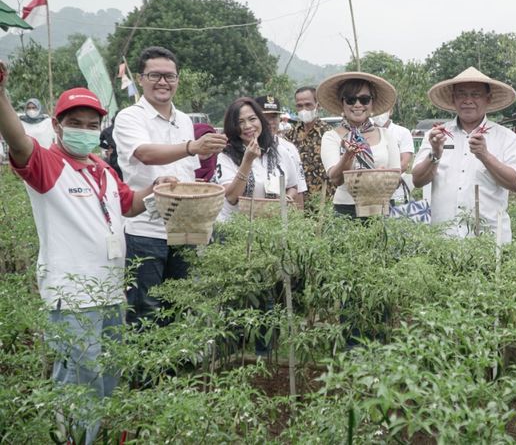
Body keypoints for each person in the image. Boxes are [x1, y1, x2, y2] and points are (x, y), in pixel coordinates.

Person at [0, 66, 175, 443]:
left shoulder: (102, 169)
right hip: (73, 295)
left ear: (101, 127)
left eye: (91, 123)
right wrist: (0, 95)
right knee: (78, 378)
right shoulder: (47, 165)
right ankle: (70, 439)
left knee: (105, 373)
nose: (84, 129)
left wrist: (157, 187)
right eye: (74, 122)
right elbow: (17, 142)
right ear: (57, 125)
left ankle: (89, 436)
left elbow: (128, 206)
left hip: (110, 291)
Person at [113, 46, 227, 327]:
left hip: (183, 229)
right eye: (154, 75)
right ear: (141, 79)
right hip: (145, 231)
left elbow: (185, 171)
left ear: (177, 80)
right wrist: (191, 147)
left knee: (178, 307)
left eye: (169, 76)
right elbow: (145, 153)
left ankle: (174, 372)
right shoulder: (130, 117)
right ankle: (145, 372)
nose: (162, 82)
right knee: (146, 309)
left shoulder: (185, 120)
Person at [412, 67, 516, 240]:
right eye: (461, 94)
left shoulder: (506, 138)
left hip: (489, 240)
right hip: (443, 239)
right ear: (453, 99)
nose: (468, 100)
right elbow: (418, 180)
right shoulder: (436, 135)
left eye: (475, 94)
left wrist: (485, 155)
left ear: (488, 99)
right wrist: (435, 154)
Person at [318, 72, 401, 218]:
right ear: (342, 103)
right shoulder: (331, 137)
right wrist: (348, 156)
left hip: (383, 209)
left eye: (364, 99)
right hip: (346, 210)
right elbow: (336, 179)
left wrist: (379, 176)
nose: (357, 105)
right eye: (350, 100)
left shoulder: (387, 135)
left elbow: (396, 178)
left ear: (371, 103)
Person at [215, 97, 298, 222]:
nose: (247, 126)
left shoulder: (280, 151)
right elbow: (232, 197)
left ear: (261, 120)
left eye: (252, 119)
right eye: (240, 122)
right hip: (236, 230)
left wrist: (287, 199)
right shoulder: (225, 156)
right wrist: (247, 161)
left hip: (272, 227)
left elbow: (293, 186)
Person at [254, 95, 307, 205]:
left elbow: (298, 189)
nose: (270, 122)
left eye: (274, 117)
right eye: (265, 118)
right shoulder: (242, 148)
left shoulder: (288, 149)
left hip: (279, 216)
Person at [286, 86, 335, 202]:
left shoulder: (329, 134)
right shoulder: (290, 135)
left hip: (324, 201)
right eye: (299, 106)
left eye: (308, 105)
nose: (304, 109)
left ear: (318, 105)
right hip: (298, 202)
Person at [372, 109, 415, 202]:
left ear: (391, 111)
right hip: (369, 189)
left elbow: (404, 163)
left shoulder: (403, 132)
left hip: (396, 190)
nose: (379, 113)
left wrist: (388, 180)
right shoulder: (364, 133)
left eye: (384, 109)